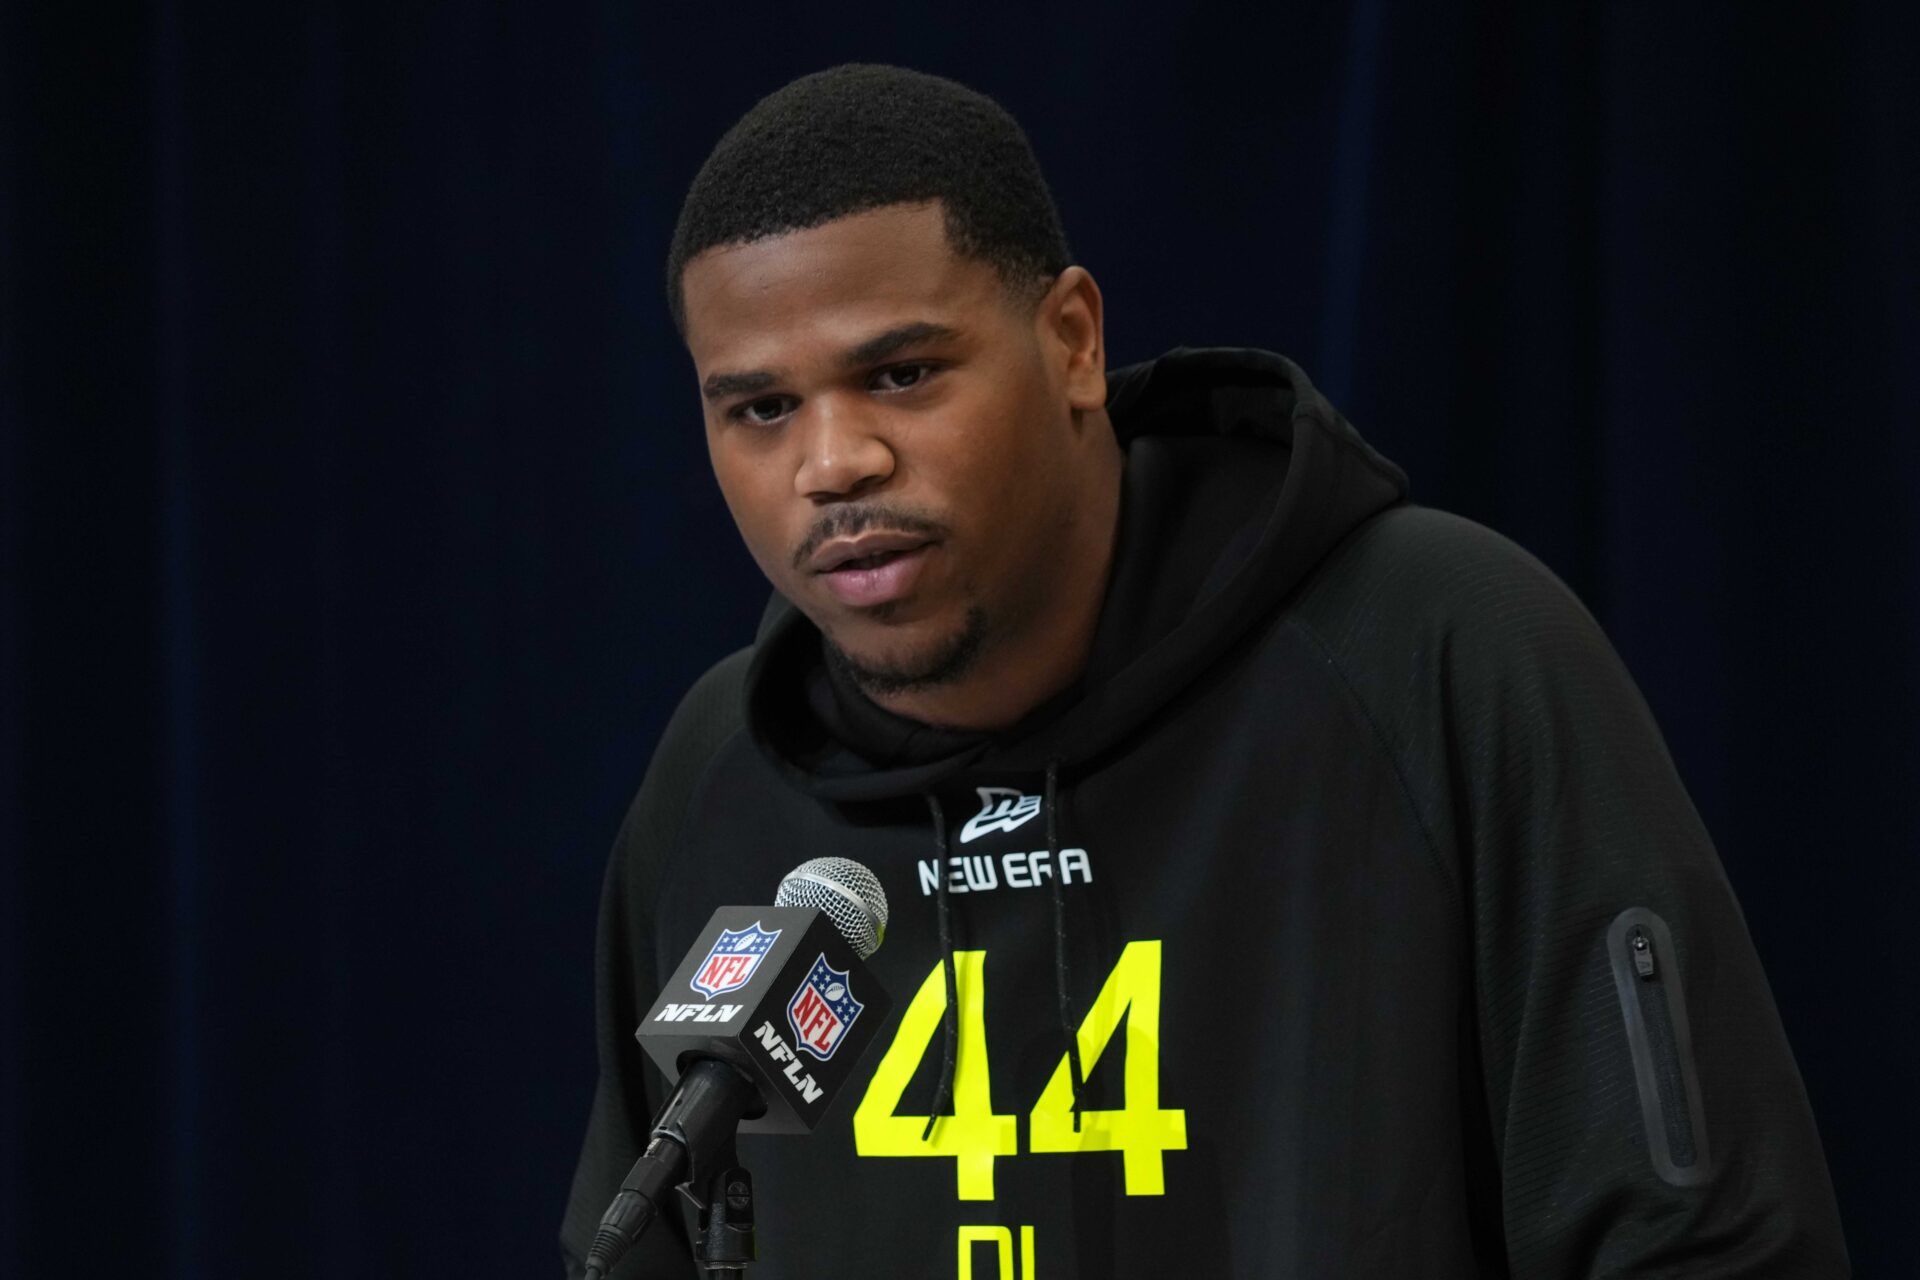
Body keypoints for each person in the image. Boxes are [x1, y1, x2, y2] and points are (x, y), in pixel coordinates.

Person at [561, 63, 1848, 1278]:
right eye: (761, 408)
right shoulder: (721, 768)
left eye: (901, 373)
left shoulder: (1436, 651)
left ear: (1071, 340)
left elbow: (1701, 1238)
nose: (833, 462)